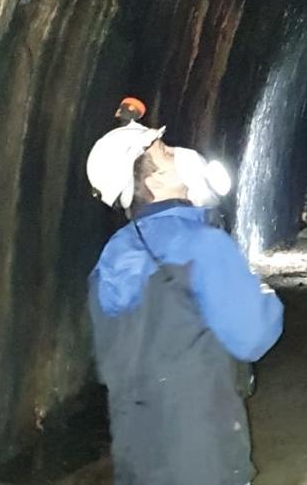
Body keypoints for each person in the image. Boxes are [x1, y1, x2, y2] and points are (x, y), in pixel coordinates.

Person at [85, 117, 283, 485]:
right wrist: (265, 297)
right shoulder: (204, 246)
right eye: (166, 151)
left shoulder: (110, 258)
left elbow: (110, 356)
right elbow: (253, 336)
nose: (178, 152)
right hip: (204, 453)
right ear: (153, 181)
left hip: (136, 452)